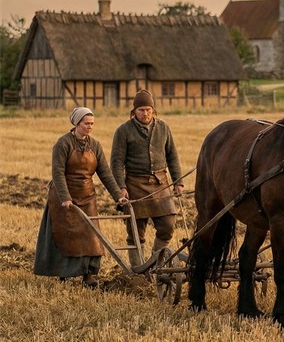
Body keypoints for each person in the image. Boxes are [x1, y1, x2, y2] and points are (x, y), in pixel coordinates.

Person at [35, 107, 126, 287]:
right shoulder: (63, 144)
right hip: (64, 197)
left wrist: (118, 196)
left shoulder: (95, 145)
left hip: (87, 196)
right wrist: (65, 198)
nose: (89, 127)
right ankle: (64, 273)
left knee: (91, 237)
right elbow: (58, 173)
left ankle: (88, 275)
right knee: (65, 236)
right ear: (77, 123)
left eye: (92, 124)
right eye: (86, 123)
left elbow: (105, 173)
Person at [111, 89, 184, 266]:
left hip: (161, 184)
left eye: (149, 110)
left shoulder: (163, 127)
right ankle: (138, 269)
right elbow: (116, 164)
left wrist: (178, 182)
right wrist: (121, 187)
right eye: (141, 110)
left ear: (154, 110)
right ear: (134, 111)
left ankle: (156, 263)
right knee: (136, 231)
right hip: (135, 185)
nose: (145, 113)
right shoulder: (123, 131)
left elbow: (172, 156)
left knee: (167, 225)